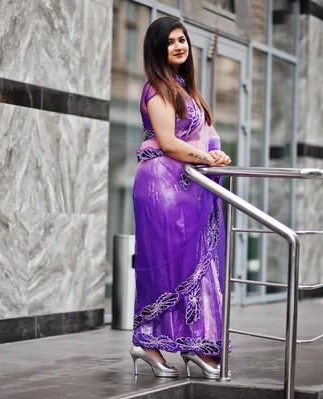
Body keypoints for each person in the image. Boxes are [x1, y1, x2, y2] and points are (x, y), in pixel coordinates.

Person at [129, 16, 231, 380]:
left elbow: (201, 138)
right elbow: (170, 143)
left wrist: (214, 156)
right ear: (158, 49)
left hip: (186, 185)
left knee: (193, 264)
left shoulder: (186, 89)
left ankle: (191, 344)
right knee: (169, 266)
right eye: (171, 41)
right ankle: (152, 343)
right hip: (162, 186)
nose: (179, 46)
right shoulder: (157, 88)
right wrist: (207, 158)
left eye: (183, 39)